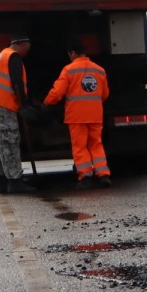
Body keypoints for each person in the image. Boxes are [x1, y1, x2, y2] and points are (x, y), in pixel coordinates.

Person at [44, 36, 111, 189]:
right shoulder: (99, 70)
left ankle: (85, 176)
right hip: (95, 115)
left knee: (80, 147)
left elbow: (57, 93)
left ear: (72, 53)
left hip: (77, 116)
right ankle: (104, 175)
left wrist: (46, 103)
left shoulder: (69, 70)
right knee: (96, 144)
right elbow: (105, 94)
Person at [0, 35, 36, 194]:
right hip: (3, 105)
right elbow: (16, 83)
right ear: (21, 44)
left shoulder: (0, 56)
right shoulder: (13, 57)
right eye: (28, 48)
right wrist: (23, 106)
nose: (27, 52)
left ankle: (1, 183)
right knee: (9, 141)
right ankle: (15, 181)